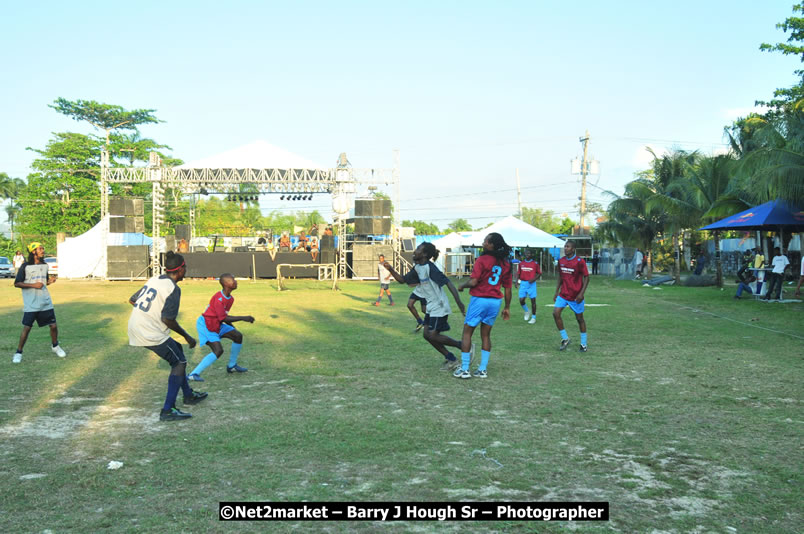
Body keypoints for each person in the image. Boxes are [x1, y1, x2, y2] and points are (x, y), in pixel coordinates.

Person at [128, 251, 207, 421]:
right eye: (185, 267)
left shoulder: (155, 279)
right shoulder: (173, 289)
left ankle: (188, 395)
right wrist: (187, 337)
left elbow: (133, 299)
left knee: (177, 350)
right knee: (179, 362)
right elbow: (167, 319)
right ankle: (168, 410)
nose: (185, 270)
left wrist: (148, 314)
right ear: (180, 270)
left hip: (136, 326)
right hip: (149, 332)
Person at [383, 243, 466, 371]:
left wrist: (459, 303)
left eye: (418, 250)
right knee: (426, 335)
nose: (415, 251)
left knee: (432, 335)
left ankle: (462, 345)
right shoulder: (418, 268)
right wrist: (391, 269)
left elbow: (448, 283)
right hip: (431, 306)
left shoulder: (430, 268)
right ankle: (451, 359)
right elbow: (402, 280)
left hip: (440, 306)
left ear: (425, 254)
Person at [455, 233, 512, 379]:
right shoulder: (506, 263)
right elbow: (507, 288)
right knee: (486, 335)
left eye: (486, 241)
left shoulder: (482, 259)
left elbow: (473, 282)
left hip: (480, 299)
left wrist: (462, 285)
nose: (483, 242)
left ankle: (465, 369)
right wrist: (507, 307)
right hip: (495, 302)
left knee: (467, 332)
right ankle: (482, 369)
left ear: (491, 245)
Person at [188, 273, 255, 381]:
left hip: (217, 323)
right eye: (233, 280)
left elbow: (224, 316)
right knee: (218, 351)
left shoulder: (230, 298)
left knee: (237, 336)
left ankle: (231, 366)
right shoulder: (218, 298)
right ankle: (193, 374)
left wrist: (232, 328)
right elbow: (223, 318)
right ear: (226, 284)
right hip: (206, 325)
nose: (236, 281)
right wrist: (244, 318)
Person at [12, 242, 67, 364]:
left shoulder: (45, 265)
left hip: (45, 301)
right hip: (31, 303)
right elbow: (17, 283)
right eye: (40, 249)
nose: (43, 250)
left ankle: (55, 346)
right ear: (33, 252)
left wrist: (50, 281)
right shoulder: (25, 266)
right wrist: (33, 285)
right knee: (27, 328)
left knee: (53, 326)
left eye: (43, 248)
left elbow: (43, 282)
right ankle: (18, 352)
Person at [553, 240, 590, 352]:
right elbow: (561, 276)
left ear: (573, 249)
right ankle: (565, 339)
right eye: (565, 246)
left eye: (568, 246)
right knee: (555, 313)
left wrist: (581, 294)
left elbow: (587, 277)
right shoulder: (561, 261)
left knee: (580, 319)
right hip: (563, 294)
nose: (565, 248)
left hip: (575, 296)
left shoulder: (580, 261)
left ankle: (583, 344)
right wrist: (556, 291)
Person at [516, 248, 541, 324]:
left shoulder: (535, 263)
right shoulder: (521, 263)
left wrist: (534, 279)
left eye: (529, 253)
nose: (527, 255)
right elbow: (518, 273)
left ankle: (533, 317)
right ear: (524, 254)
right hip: (523, 284)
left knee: (533, 301)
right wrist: (517, 282)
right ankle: (527, 311)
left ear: (531, 254)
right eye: (526, 253)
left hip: (531, 284)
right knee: (521, 300)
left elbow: (539, 273)